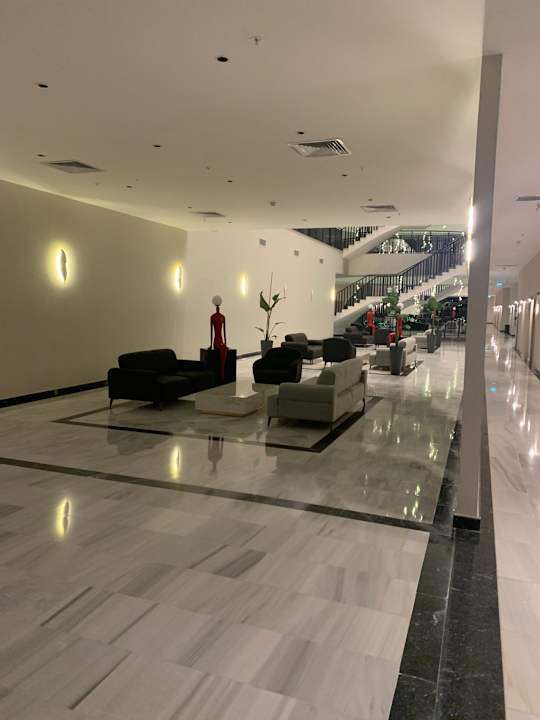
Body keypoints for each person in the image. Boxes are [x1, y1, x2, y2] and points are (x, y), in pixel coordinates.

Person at [210, 295, 228, 381]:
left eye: (218, 307)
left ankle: (222, 372)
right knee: (223, 348)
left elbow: (224, 332)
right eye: (217, 307)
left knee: (224, 348)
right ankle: (222, 373)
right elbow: (211, 332)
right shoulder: (212, 317)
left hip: (221, 340)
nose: (218, 308)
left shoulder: (223, 317)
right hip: (216, 341)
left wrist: (225, 342)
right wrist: (210, 345)